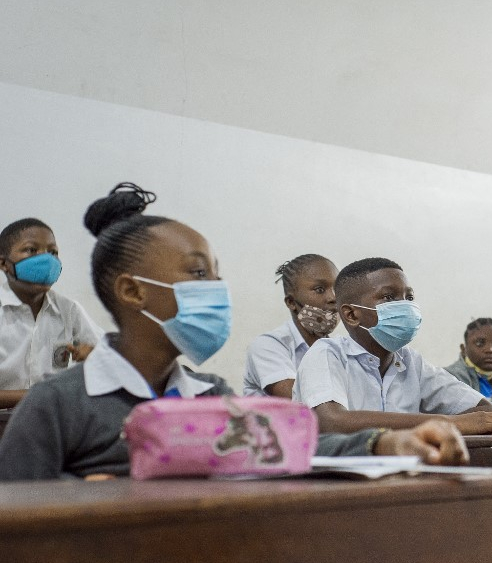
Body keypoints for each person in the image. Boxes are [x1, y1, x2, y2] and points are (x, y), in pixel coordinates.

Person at [0, 186, 467, 480]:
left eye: (215, 274)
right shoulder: (57, 405)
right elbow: (18, 530)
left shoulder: (209, 397)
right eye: (198, 273)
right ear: (132, 291)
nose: (216, 290)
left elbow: (294, 443)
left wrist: (387, 443)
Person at [293, 257, 492, 435]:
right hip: (334, 484)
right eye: (389, 297)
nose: (404, 306)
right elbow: (331, 421)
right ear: (351, 315)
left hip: (401, 480)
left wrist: (467, 423)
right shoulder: (327, 354)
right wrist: (450, 423)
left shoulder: (411, 362)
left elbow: (487, 414)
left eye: (408, 297)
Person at [0, 216, 102, 408]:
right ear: (4, 264)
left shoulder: (69, 310)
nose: (46, 259)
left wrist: (95, 356)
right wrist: (43, 395)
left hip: (54, 423)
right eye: (31, 250)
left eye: (53, 252)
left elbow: (107, 356)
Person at [242, 254, 339, 398]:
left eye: (337, 288)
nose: (333, 297)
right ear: (291, 302)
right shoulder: (268, 345)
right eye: (319, 289)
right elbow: (301, 401)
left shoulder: (340, 349)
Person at [445, 318, 492, 403]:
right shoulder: (449, 378)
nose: (490, 349)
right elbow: (469, 407)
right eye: (480, 343)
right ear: (464, 349)